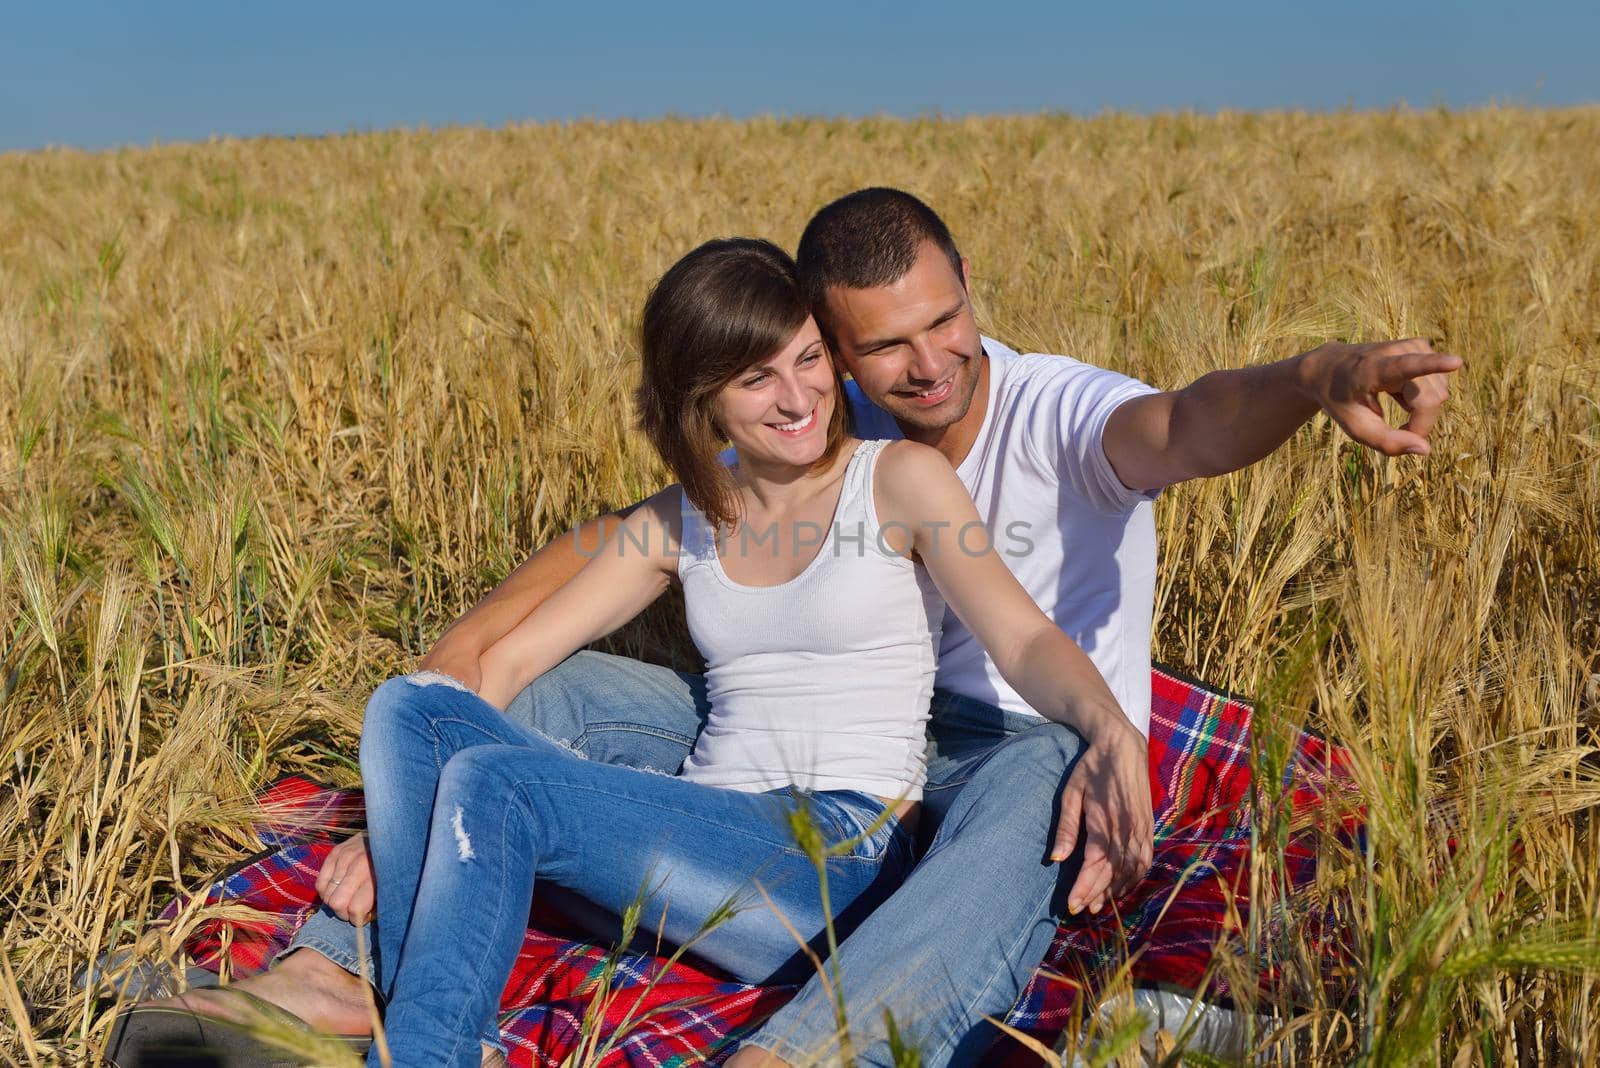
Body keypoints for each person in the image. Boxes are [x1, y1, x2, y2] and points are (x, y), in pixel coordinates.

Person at [120, 189, 1458, 1066]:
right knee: (474, 710)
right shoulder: (801, 443)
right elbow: (578, 576)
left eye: (945, 324)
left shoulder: (1025, 424)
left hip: (990, 759)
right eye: (875, 348)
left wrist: (1316, 376)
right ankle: (333, 973)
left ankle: (816, 1048)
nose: (923, 366)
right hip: (791, 766)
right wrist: (403, 780)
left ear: (970, 289)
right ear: (829, 345)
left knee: (1046, 758)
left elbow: (1175, 435)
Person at [357, 236, 1146, 1066]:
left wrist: (1110, 725)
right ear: (702, 400)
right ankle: (431, 1027)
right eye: (756, 378)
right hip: (702, 850)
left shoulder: (895, 479)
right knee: (411, 706)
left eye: (809, 360)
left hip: (832, 859)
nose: (798, 396)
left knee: (493, 784)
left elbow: (1021, 636)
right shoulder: (684, 516)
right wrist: (406, 817)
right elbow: (511, 662)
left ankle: (423, 1052)